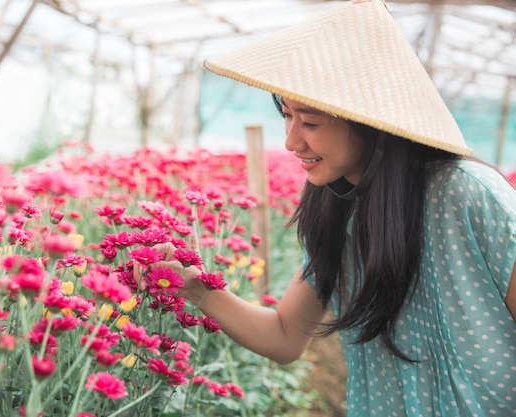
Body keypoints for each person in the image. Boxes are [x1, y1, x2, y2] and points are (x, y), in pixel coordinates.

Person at [141, 0, 516, 415]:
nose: (291, 141)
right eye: (286, 115)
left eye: (311, 123)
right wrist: (195, 287)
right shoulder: (337, 208)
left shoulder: (469, 195)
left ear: (371, 122)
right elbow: (285, 335)